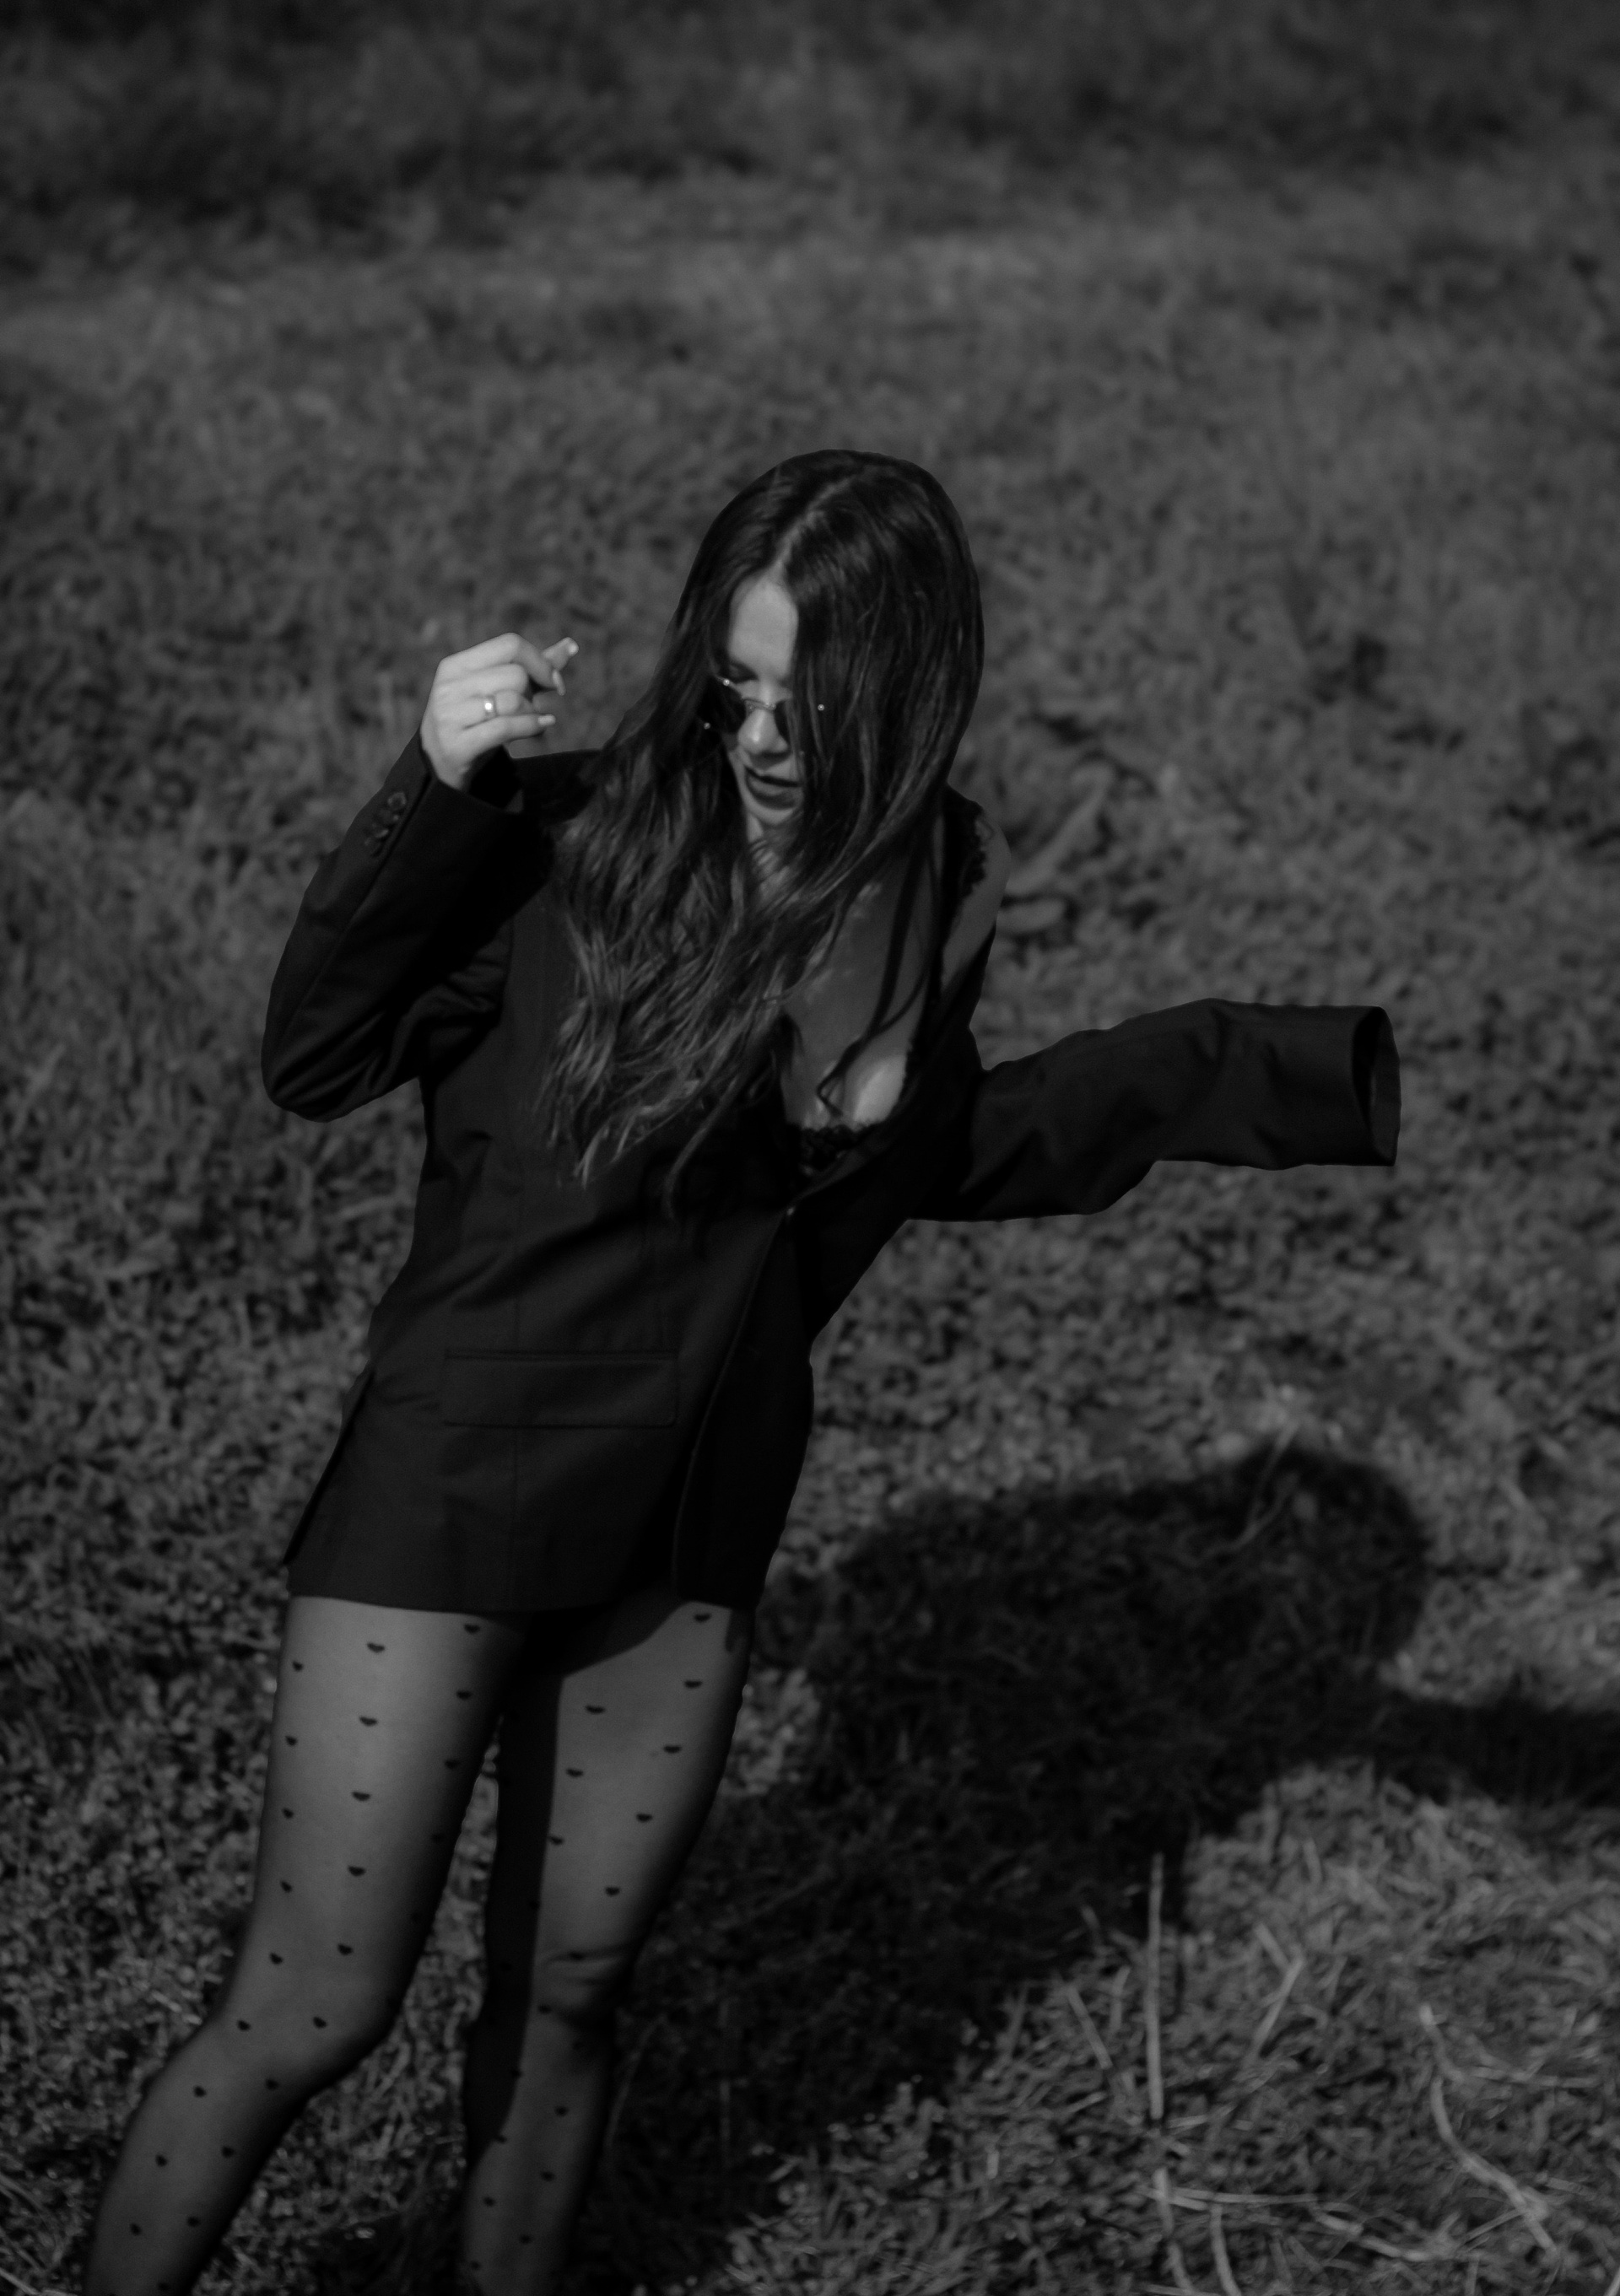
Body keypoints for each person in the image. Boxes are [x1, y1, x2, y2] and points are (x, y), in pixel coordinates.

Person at [82, 449, 1399, 2293]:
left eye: (811, 702)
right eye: (738, 686)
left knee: (571, 1997)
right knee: (316, 2005)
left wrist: (1252, 1073)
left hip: (693, 1514)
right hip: (458, 1482)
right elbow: (315, 1057)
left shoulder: (937, 878)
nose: (764, 738)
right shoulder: (566, 843)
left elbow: (907, 1152)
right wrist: (435, 789)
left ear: (912, 694)